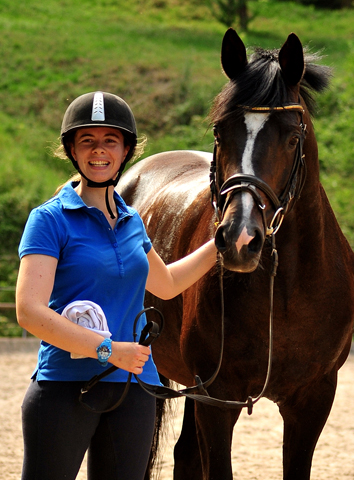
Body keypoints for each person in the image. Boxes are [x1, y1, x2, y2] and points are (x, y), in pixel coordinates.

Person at [16, 91, 217, 480]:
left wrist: (219, 245)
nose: (99, 151)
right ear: (71, 150)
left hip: (134, 391)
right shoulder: (48, 220)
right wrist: (109, 351)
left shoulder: (131, 221)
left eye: (110, 140)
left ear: (125, 150)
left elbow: (169, 283)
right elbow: (29, 312)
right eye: (87, 140)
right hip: (64, 388)